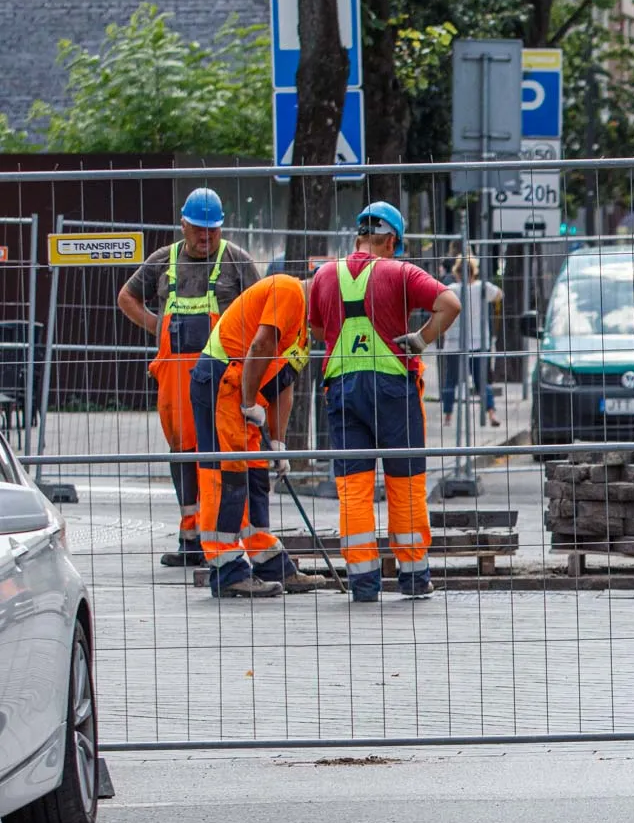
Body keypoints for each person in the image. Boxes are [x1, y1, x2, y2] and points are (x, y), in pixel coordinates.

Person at [308, 202, 461, 603]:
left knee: (353, 487)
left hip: (342, 390)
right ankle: (413, 577)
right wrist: (422, 339)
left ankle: (362, 583)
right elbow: (450, 305)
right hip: (394, 389)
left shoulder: (324, 275)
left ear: (358, 236)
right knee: (405, 482)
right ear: (391, 240)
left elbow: (318, 326)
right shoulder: (401, 272)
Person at [117, 188, 259, 567]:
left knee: (219, 451)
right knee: (182, 452)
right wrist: (158, 327)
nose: (205, 237)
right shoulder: (163, 260)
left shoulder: (236, 261)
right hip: (175, 375)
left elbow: (263, 309)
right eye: (198, 229)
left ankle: (221, 534)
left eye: (212, 230)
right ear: (183, 225)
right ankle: (190, 536)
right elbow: (126, 297)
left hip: (223, 375)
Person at [187, 274, 327, 597]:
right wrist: (249, 403)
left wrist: (278, 443)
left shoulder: (302, 328)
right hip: (223, 383)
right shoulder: (291, 293)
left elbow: (285, 382)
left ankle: (267, 560)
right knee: (227, 476)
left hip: (241, 391)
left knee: (255, 474)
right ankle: (227, 569)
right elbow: (260, 344)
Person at [440, 254, 502, 429]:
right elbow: (499, 294)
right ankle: (491, 413)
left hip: (454, 342)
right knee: (482, 380)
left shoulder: (451, 289)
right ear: (474, 272)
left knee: (450, 380)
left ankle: (448, 417)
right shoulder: (482, 287)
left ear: (457, 273)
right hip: (478, 341)